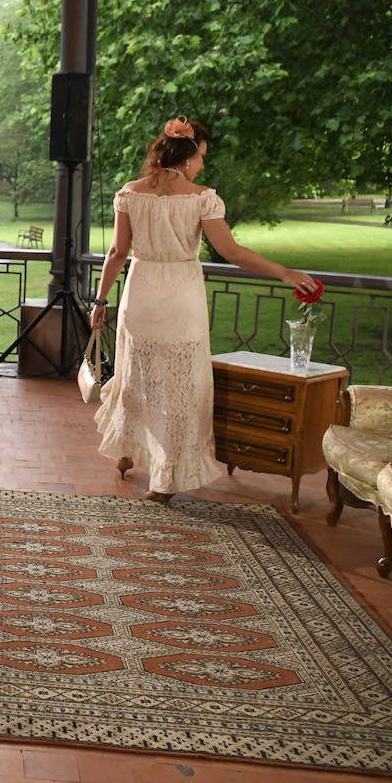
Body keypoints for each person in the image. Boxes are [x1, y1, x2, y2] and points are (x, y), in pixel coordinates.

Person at [91, 117, 317, 503]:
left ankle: (127, 452)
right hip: (182, 298)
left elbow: (117, 253)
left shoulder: (129, 193)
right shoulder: (202, 198)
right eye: (200, 160)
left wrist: (100, 300)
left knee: (137, 377)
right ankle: (165, 479)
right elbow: (231, 252)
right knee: (180, 387)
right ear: (187, 160)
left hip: (140, 292)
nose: (203, 167)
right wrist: (284, 272)